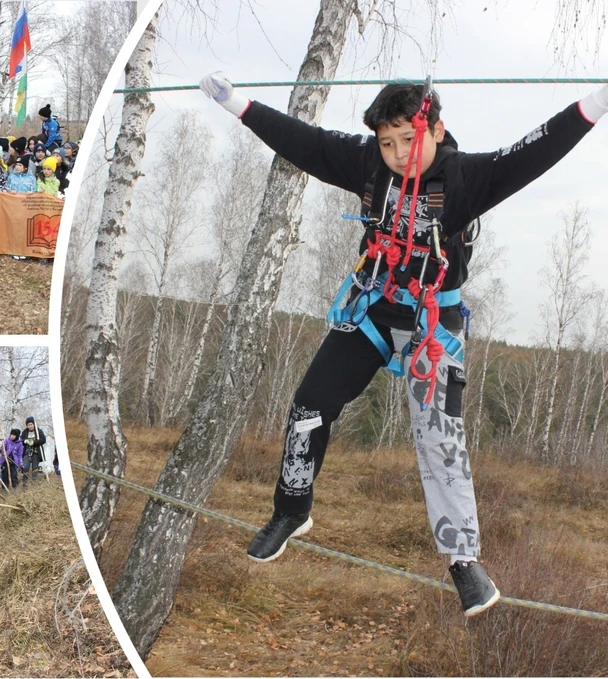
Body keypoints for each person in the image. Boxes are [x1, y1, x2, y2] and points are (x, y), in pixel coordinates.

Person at [199, 72, 608, 616]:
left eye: (406, 141)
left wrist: (597, 102)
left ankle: (465, 562)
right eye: (386, 143)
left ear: (437, 130)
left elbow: (536, 148)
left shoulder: (467, 178)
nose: (396, 155)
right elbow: (303, 140)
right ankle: (292, 508)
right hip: (373, 305)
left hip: (433, 324)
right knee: (309, 405)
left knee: (439, 437)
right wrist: (235, 103)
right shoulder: (368, 163)